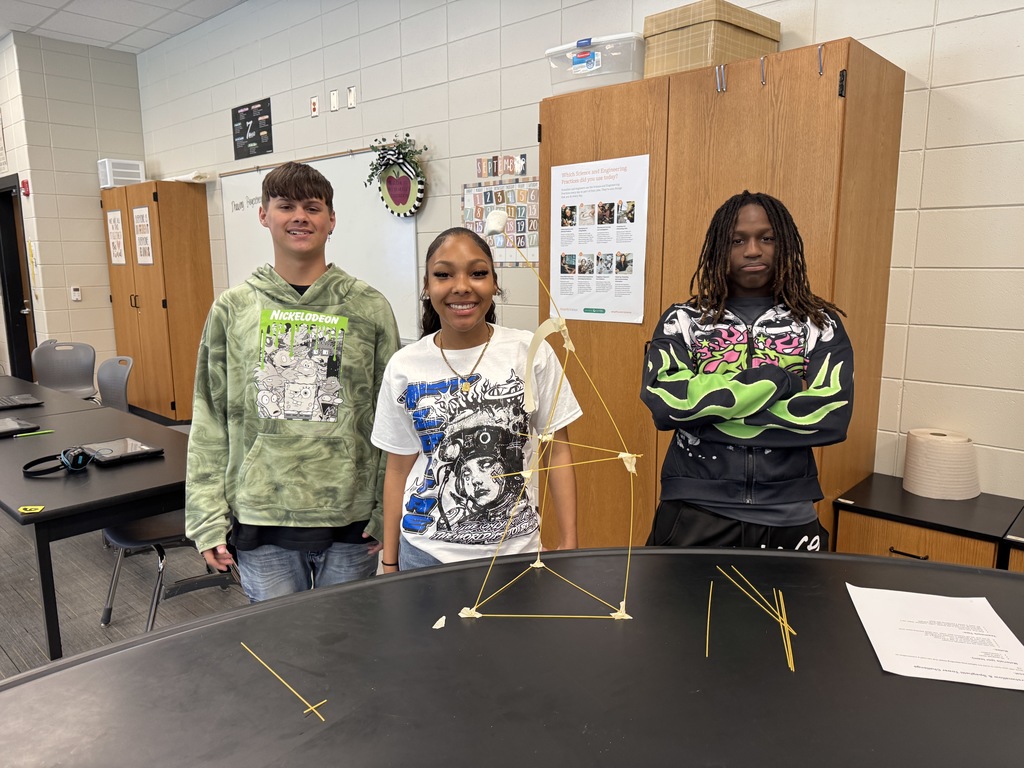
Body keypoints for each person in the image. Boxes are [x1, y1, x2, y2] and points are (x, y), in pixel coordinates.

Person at [186, 162, 401, 602]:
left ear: (331, 220)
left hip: (351, 519)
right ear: (264, 215)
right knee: (279, 654)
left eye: (313, 207)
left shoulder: (369, 307)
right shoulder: (234, 308)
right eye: (286, 206)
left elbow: (392, 420)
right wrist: (207, 516)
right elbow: (209, 415)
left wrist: (386, 511)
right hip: (262, 517)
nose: (300, 216)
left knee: (348, 647)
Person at [641, 191, 853, 552]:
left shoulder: (819, 324)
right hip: (695, 509)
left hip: (789, 513)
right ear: (719, 249)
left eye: (766, 238)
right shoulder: (683, 321)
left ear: (784, 244)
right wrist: (781, 380)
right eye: (737, 240)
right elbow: (666, 403)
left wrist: (707, 415)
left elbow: (830, 415)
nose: (752, 250)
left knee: (793, 611)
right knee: (678, 610)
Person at [371, 227, 581, 572]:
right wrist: (390, 560)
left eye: (478, 273)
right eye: (444, 274)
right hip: (425, 556)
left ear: (495, 283)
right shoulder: (404, 366)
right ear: (427, 286)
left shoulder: (530, 352)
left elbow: (558, 449)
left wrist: (569, 542)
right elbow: (397, 469)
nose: (462, 286)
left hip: (516, 555)